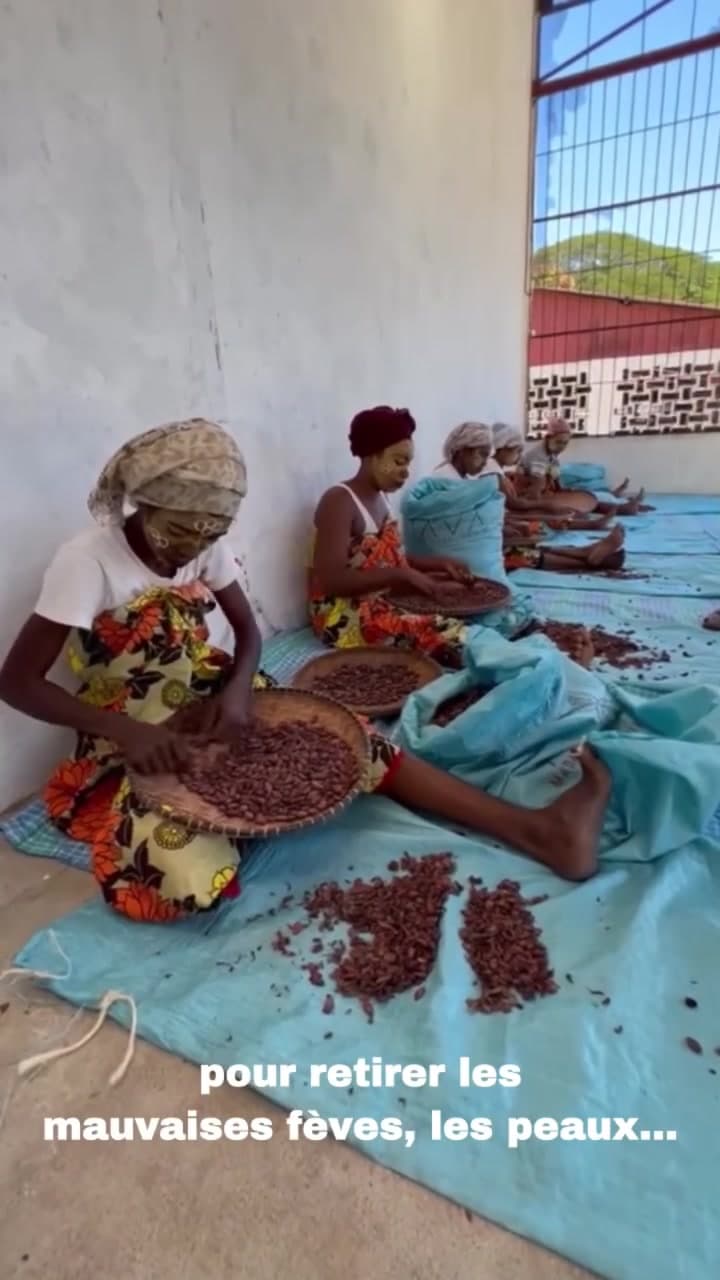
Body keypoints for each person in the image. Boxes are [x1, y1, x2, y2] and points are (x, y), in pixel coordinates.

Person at [0, 418, 610, 920]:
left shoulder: (205, 542)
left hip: (212, 701)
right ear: (147, 503)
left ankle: (537, 831)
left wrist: (238, 692)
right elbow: (17, 682)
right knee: (180, 875)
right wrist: (130, 733)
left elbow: (245, 630)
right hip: (133, 733)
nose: (194, 546)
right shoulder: (88, 563)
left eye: (213, 531)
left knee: (351, 742)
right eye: (183, 530)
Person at [309, 406, 473, 663]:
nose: (406, 471)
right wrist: (402, 575)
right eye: (398, 461)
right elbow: (332, 581)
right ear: (372, 456)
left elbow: (391, 561)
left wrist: (439, 565)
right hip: (345, 616)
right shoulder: (339, 501)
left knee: (457, 599)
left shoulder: (381, 499)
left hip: (381, 600)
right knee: (445, 633)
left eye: (408, 463)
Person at [517, 418, 648, 516]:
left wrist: (565, 492)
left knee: (585, 496)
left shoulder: (551, 454)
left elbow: (555, 481)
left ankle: (622, 504)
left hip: (547, 495)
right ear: (548, 438)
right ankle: (621, 508)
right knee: (581, 503)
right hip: (535, 499)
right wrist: (557, 500)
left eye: (565, 443)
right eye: (559, 442)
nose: (562, 447)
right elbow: (535, 493)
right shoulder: (538, 457)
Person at [433, 421, 497, 481]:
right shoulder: (443, 480)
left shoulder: (462, 480)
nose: (485, 463)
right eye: (482, 454)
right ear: (463, 450)